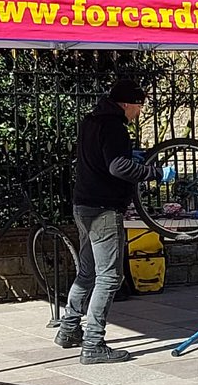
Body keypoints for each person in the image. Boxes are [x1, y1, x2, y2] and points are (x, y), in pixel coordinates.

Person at [54, 79, 174, 364]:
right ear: (127, 103)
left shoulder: (91, 121)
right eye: (139, 105)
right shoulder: (115, 126)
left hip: (83, 205)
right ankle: (93, 344)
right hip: (104, 210)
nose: (140, 112)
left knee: (87, 272)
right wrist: (155, 173)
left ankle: (69, 329)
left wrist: (130, 156)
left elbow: (102, 158)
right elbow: (117, 167)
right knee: (109, 276)